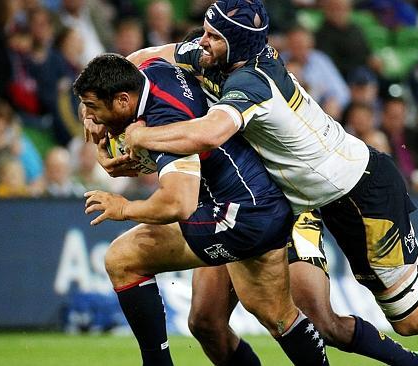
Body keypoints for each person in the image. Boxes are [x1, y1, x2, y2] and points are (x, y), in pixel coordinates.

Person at [120, 1, 418, 365]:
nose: (200, 42)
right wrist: (102, 93)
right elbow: (146, 58)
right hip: (327, 190)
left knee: (412, 317)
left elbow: (208, 132)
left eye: (212, 36)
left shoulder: (252, 83)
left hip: (357, 196)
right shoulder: (223, 52)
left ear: (238, 45)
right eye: (204, 29)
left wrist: (139, 134)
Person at [98, 28, 418, 366]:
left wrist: (130, 190)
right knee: (205, 322)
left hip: (282, 202)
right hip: (230, 204)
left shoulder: (226, 96)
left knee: (318, 319)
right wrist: (96, 120)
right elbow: (135, 63)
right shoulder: (184, 89)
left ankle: (414, 363)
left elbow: (183, 171)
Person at [73, 53, 329, 366]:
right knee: (274, 316)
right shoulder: (156, 70)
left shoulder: (164, 123)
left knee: (122, 259)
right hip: (261, 201)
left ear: (123, 101)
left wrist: (124, 207)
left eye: (95, 108)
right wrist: (91, 115)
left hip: (237, 215)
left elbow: (179, 203)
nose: (93, 118)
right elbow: (123, 66)